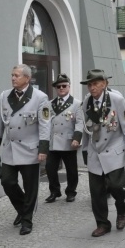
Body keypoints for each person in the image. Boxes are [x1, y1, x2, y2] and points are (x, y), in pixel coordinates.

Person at [0, 64, 50, 235]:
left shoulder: (40, 97)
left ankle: (27, 220)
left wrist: (43, 149)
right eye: (12, 75)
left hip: (30, 149)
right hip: (10, 148)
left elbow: (45, 125)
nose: (13, 78)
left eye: (16, 75)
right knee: (7, 182)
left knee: (31, 187)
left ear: (27, 78)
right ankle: (23, 210)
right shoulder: (4, 96)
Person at [80, 69, 125, 237]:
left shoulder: (116, 100)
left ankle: (122, 210)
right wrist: (85, 150)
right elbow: (84, 128)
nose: (92, 88)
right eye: (90, 84)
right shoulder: (86, 103)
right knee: (96, 192)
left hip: (114, 148)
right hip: (94, 151)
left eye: (96, 84)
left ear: (105, 84)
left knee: (116, 186)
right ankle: (102, 224)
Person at [45, 73, 83, 204]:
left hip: (68, 141)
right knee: (50, 168)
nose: (61, 88)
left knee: (71, 170)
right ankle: (54, 191)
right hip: (53, 142)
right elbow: (46, 123)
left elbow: (79, 122)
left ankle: (71, 191)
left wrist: (77, 138)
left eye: (64, 86)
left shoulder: (77, 104)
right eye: (58, 86)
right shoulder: (50, 104)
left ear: (69, 87)